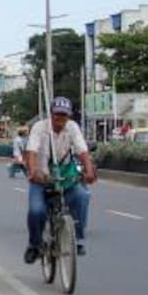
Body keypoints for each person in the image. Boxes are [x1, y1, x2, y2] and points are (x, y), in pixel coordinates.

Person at [23, 97, 97, 263]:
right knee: (36, 211)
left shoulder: (72, 127)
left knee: (82, 196)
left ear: (68, 116)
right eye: (57, 114)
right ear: (51, 114)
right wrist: (34, 172)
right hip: (41, 178)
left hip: (65, 178)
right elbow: (31, 152)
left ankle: (77, 239)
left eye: (64, 115)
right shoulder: (39, 127)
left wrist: (89, 171)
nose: (60, 118)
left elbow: (82, 151)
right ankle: (35, 244)